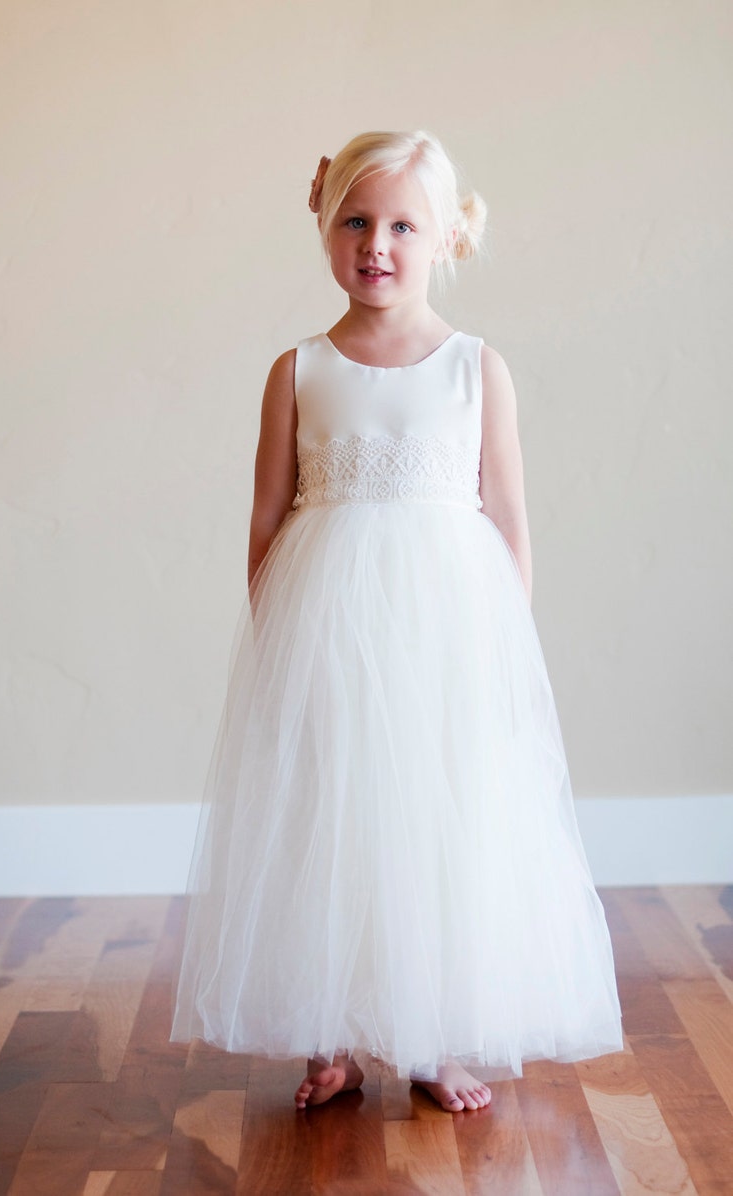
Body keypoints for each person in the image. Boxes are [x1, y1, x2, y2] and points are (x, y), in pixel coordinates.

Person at [171, 130, 623, 1114]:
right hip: (330, 638)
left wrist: (500, 652)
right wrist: (276, 641)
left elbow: (505, 516)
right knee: (333, 821)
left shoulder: (473, 368)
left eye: (401, 225)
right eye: (355, 221)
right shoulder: (297, 368)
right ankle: (332, 1039)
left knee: (434, 823)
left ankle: (428, 1035)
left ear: (447, 237)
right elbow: (267, 513)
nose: (376, 243)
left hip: (443, 641)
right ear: (325, 227)